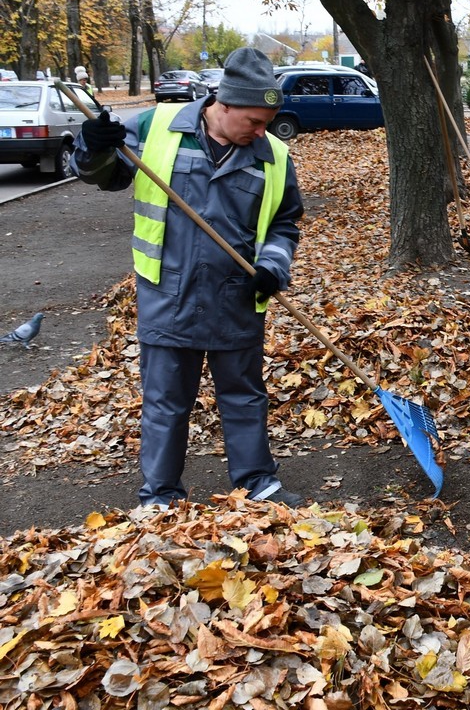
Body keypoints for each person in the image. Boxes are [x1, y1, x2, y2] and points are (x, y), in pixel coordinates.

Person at [69, 47, 306, 510]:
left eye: (266, 122)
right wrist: (94, 146)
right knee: (165, 402)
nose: (262, 131)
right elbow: (102, 175)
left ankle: (258, 484)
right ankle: (160, 496)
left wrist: (273, 268)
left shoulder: (273, 155)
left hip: (236, 294)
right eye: (254, 122)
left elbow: (285, 222)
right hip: (167, 293)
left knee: (244, 397)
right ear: (225, 103)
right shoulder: (153, 127)